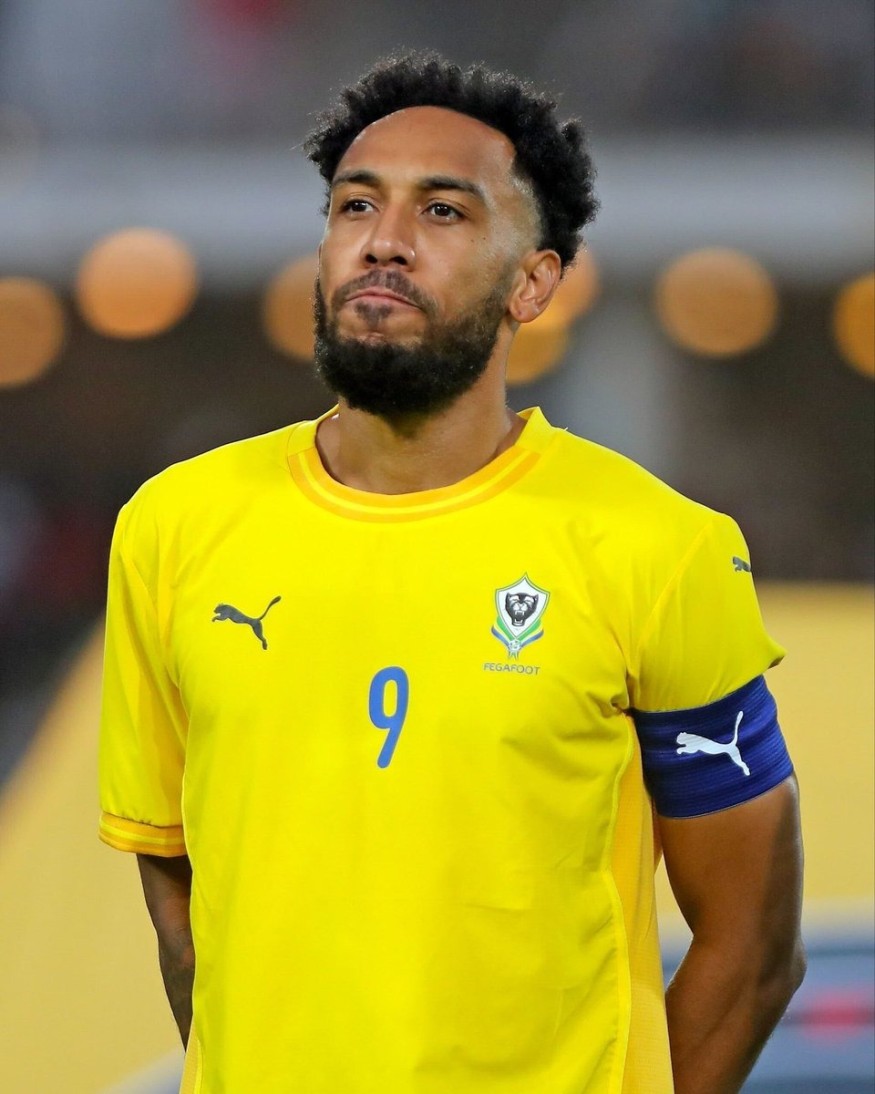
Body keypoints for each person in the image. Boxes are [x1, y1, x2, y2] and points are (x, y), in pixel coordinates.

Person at [98, 52, 805, 1094]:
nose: (382, 240)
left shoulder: (657, 546)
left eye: (442, 212)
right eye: (355, 205)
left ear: (533, 282)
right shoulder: (173, 525)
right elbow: (175, 884)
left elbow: (752, 946)